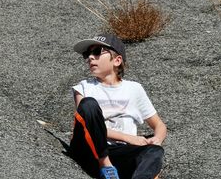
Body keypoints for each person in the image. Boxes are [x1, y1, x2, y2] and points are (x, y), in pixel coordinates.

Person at [69, 34, 167, 179]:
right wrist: (128, 138)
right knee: (88, 104)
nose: (90, 57)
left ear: (117, 60)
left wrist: (156, 140)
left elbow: (159, 125)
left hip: (120, 152)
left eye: (97, 52)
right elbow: (88, 125)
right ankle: (105, 165)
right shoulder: (83, 87)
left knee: (154, 152)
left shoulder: (134, 89)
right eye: (87, 54)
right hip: (89, 148)